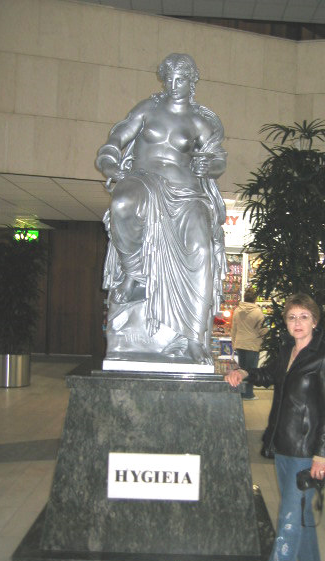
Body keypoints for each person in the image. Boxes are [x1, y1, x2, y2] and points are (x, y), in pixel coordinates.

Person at [96, 53, 227, 364]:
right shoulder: (148, 109)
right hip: (144, 181)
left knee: (201, 249)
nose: (173, 84)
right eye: (169, 78)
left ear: (193, 81)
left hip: (187, 193)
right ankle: (135, 274)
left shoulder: (201, 121)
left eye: (180, 79)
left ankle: (193, 338)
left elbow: (218, 159)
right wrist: (109, 159)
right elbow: (118, 136)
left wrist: (209, 165)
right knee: (123, 203)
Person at [225, 293, 325, 561]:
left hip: (306, 451)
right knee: (301, 512)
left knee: (289, 516)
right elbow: (270, 375)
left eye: (304, 317)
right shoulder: (287, 350)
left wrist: (321, 456)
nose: (297, 323)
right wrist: (245, 373)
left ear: (315, 321)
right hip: (282, 445)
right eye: (292, 317)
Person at [230, 288, 268, 399]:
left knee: (242, 369)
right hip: (253, 345)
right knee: (251, 370)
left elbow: (234, 329)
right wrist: (267, 337)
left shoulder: (237, 310)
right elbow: (262, 329)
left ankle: (242, 392)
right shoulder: (258, 312)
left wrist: (234, 343)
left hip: (240, 344)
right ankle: (249, 393)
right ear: (255, 298)